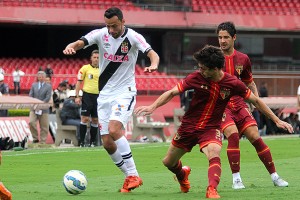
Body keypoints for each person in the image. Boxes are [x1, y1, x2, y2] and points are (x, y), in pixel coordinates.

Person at [134, 45, 293, 199]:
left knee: (214, 152)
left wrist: (277, 120)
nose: (200, 70)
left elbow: (256, 101)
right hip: (188, 127)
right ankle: (183, 174)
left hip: (211, 128)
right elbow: (172, 92)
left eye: (203, 68)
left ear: (215, 69)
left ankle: (212, 189)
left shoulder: (232, 83)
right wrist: (152, 106)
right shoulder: (196, 77)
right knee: (168, 162)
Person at [63, 7, 160, 193]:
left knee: (115, 129)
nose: (111, 30)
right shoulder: (101, 34)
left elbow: (151, 53)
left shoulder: (133, 37)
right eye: (108, 26)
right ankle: (130, 177)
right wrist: (71, 47)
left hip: (125, 91)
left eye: (114, 26)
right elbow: (81, 42)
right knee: (107, 142)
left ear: (123, 22)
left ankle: (133, 174)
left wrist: (153, 64)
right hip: (104, 94)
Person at [216, 21, 289, 189]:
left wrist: (255, 100)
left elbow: (250, 82)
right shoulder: (213, 57)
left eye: (226, 37)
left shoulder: (243, 59)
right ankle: (236, 179)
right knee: (233, 135)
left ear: (234, 38)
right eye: (219, 37)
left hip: (240, 103)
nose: (222, 41)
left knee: (255, 137)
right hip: (222, 105)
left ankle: (275, 176)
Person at [75, 50, 100, 147]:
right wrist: (77, 96)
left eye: (98, 57)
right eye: (94, 57)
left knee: (95, 120)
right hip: (87, 95)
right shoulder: (85, 68)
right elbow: (79, 82)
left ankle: (92, 142)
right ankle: (81, 142)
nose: (96, 59)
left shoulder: (103, 69)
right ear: (91, 58)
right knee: (84, 118)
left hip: (98, 97)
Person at [29, 71, 52, 143]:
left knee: (44, 126)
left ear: (45, 78)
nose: (41, 78)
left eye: (42, 77)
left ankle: (43, 141)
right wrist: (35, 104)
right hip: (34, 108)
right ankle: (35, 138)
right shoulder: (34, 85)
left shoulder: (48, 86)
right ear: (38, 77)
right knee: (31, 122)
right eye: (39, 77)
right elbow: (31, 95)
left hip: (44, 108)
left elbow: (47, 98)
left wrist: (40, 105)